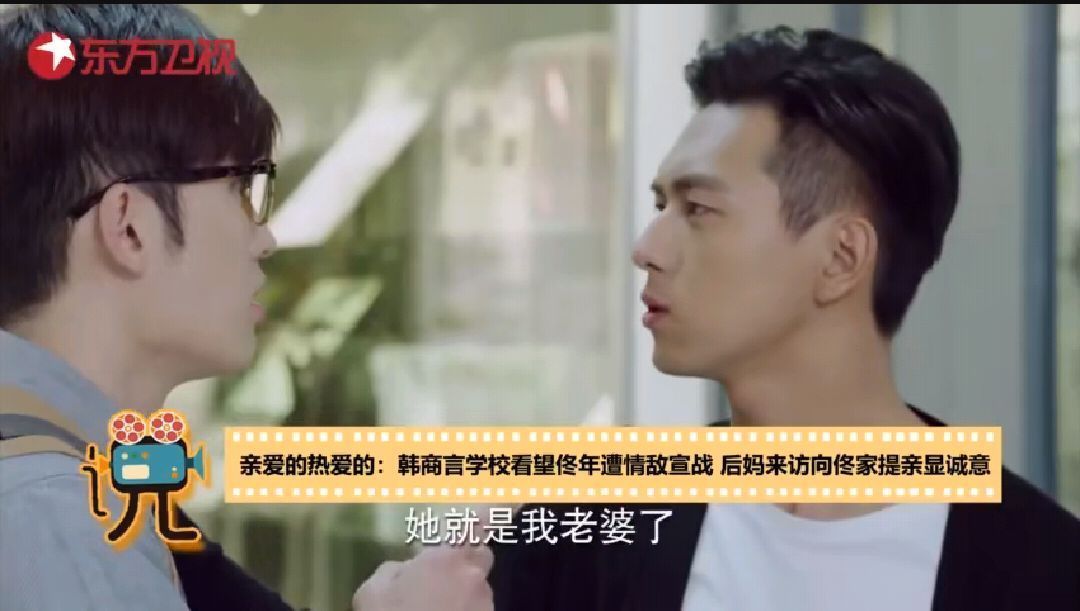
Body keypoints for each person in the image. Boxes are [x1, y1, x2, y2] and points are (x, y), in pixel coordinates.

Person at [488, 26, 1080, 611]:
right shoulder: (588, 529)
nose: (647, 248)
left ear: (841, 258)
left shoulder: (1045, 571)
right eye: (661, 205)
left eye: (698, 209)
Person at [0, 4, 492, 610]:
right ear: (129, 227)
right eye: (241, 188)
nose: (265, 238)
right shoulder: (58, 524)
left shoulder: (86, 488)